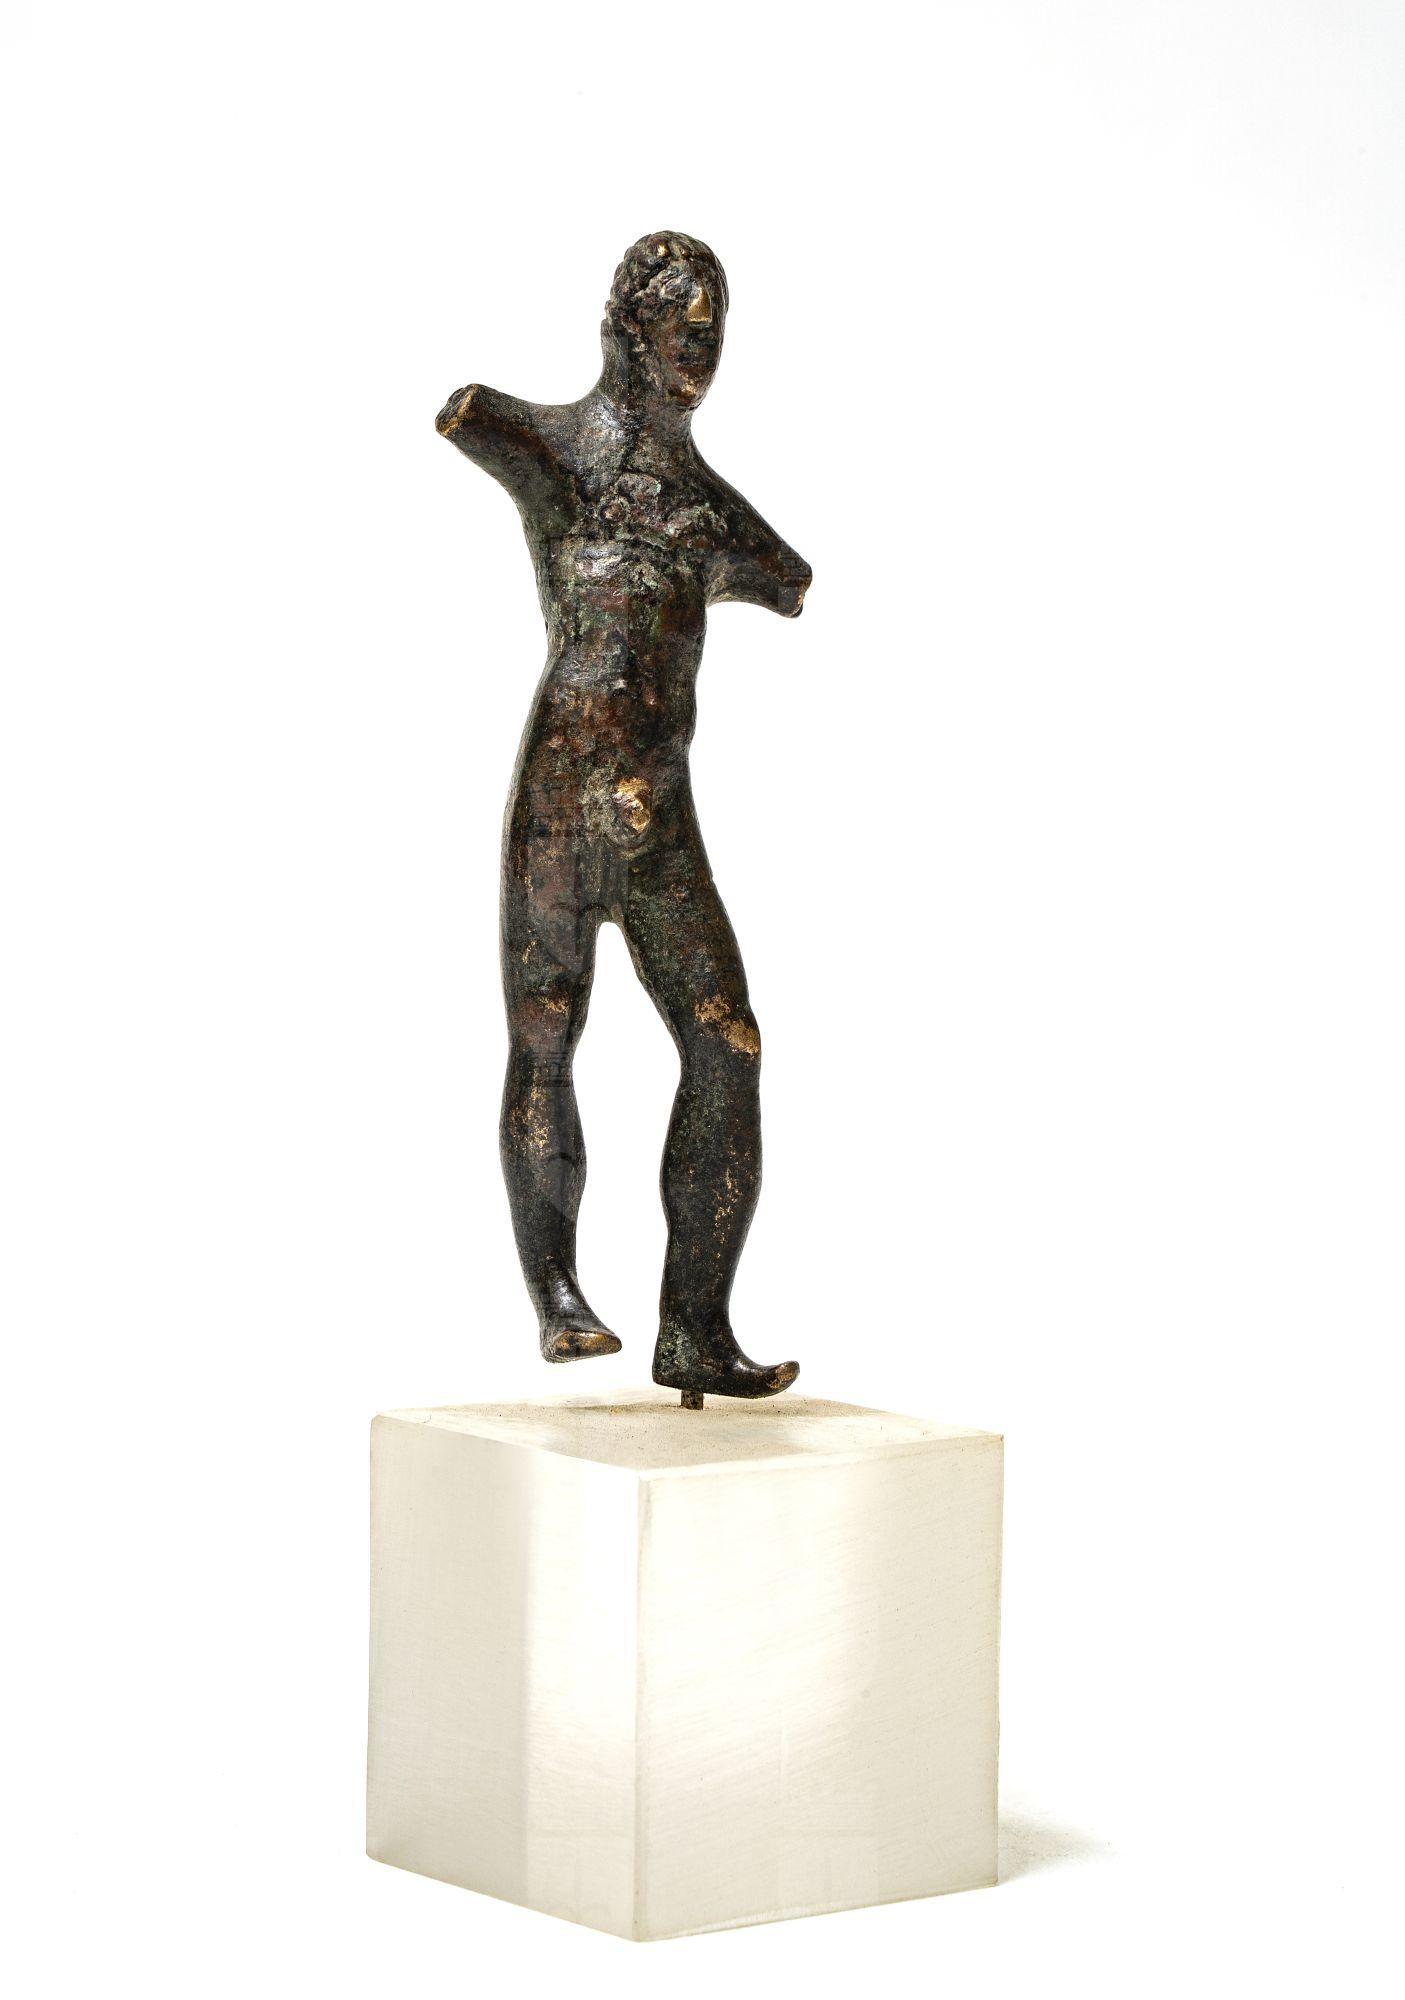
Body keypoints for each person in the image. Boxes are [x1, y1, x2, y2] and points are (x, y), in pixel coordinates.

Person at [437, 232, 811, 1399]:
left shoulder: (710, 512)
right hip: (559, 803)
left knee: (727, 1042)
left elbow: (790, 577)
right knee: (546, 1034)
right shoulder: (549, 446)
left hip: (661, 817)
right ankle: (557, 1296)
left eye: (714, 331)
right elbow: (469, 414)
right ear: (628, 330)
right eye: (682, 328)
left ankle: (693, 1324)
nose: (701, 349)